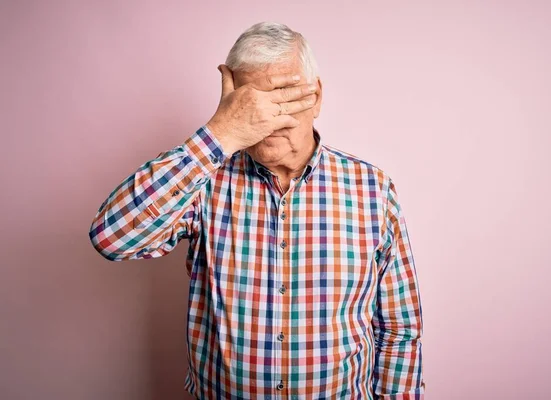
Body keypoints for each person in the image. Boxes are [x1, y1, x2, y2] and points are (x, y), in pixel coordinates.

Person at [89, 21, 424, 399]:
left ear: (315, 97)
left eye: (284, 98)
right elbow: (111, 237)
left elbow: (399, 326)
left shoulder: (372, 189)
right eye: (253, 105)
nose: (269, 120)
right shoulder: (205, 182)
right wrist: (220, 134)